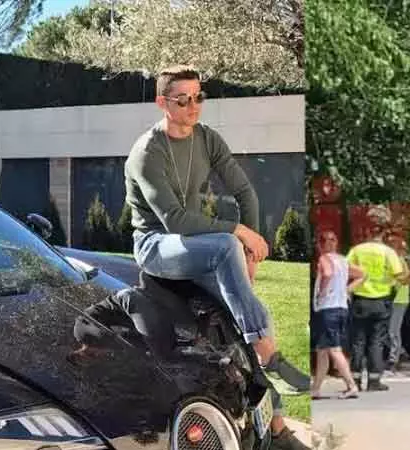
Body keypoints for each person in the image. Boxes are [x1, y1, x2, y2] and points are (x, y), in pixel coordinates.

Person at [124, 65, 309, 449]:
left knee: (255, 310)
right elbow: (174, 220)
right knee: (227, 246)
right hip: (157, 246)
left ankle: (277, 428)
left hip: (196, 247)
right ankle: (269, 355)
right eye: (183, 100)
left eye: (199, 97)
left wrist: (250, 255)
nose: (193, 106)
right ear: (162, 103)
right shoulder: (146, 153)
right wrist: (240, 233)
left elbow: (246, 193)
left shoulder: (207, 139)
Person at [346, 234, 407, 391]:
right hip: (381, 301)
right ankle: (374, 381)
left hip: (360, 300)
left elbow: (345, 269)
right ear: (381, 236)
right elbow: (400, 276)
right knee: (376, 341)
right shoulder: (388, 252)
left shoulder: (357, 250)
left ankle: (355, 380)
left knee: (358, 341)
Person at [310, 230, 365, 399]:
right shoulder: (343, 260)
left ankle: (351, 386)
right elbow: (362, 274)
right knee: (322, 350)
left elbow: (327, 273)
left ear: (320, 245)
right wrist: (347, 290)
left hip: (328, 309)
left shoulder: (324, 259)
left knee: (334, 349)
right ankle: (316, 388)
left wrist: (322, 292)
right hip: (341, 308)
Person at [387, 237, 410, 372]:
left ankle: (394, 359)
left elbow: (409, 278)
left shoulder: (402, 260)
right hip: (390, 298)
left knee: (392, 330)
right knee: (387, 330)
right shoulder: (394, 259)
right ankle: (400, 352)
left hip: (399, 299)